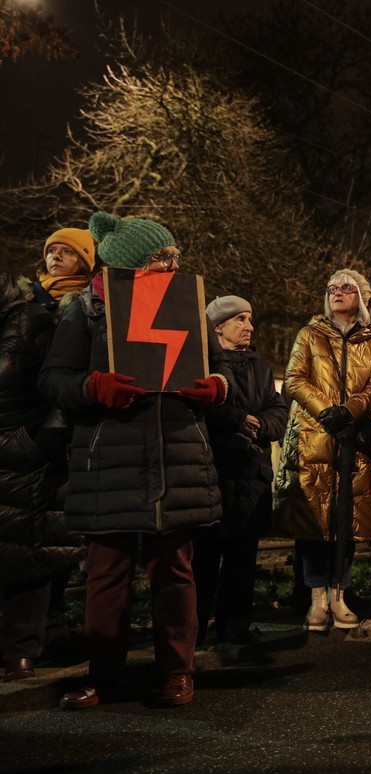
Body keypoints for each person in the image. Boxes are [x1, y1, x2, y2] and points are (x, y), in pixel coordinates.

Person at [40, 211, 226, 709]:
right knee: (107, 573)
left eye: (173, 256)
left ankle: (177, 673)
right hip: (110, 453)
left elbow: (220, 364)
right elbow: (54, 377)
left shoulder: (188, 304)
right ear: (128, 264)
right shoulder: (89, 309)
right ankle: (102, 676)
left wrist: (218, 386)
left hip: (175, 451)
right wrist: (90, 387)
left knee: (175, 570)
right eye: (160, 257)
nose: (172, 263)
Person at [272, 269, 371, 632]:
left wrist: (350, 411)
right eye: (332, 288)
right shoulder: (309, 334)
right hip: (313, 437)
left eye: (347, 288)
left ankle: (340, 594)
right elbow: (294, 379)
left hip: (353, 439)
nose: (338, 292)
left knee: (346, 520)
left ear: (361, 297)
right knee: (312, 522)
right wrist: (325, 410)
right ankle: (317, 599)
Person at [193, 296, 288, 646]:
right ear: (218, 326)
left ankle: (235, 627)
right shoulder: (202, 366)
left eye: (250, 320)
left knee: (242, 558)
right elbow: (204, 411)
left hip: (251, 478)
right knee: (202, 560)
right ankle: (195, 631)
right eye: (240, 320)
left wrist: (260, 426)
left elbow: (279, 412)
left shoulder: (260, 369)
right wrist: (237, 420)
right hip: (214, 474)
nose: (249, 327)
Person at [0, 271, 80, 682]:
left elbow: (58, 385)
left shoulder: (33, 321)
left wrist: (42, 441)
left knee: (26, 549)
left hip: (24, 452)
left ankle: (21, 652)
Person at [31, 227, 96, 319]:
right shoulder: (23, 297)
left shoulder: (96, 303)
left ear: (84, 262)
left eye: (68, 251)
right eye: (51, 250)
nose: (56, 256)